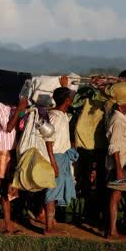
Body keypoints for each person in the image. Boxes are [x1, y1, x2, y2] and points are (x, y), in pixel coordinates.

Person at [43, 87, 78, 234]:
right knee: (52, 190)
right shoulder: (55, 117)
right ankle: (49, 226)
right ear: (68, 101)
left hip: (62, 156)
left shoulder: (62, 115)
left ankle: (52, 222)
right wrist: (53, 162)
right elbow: (49, 141)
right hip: (56, 156)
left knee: (57, 190)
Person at [105, 92, 126, 239]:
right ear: (119, 105)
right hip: (117, 165)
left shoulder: (123, 117)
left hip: (121, 164)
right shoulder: (118, 122)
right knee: (115, 196)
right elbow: (114, 147)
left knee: (116, 196)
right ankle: (112, 231)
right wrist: (119, 169)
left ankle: (111, 230)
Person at [0, 97, 25, 234]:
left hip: (11, 150)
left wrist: (20, 110)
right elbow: (8, 127)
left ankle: (7, 224)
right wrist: (19, 109)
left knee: (8, 188)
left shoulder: (12, 107)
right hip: (1, 150)